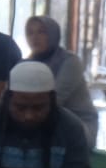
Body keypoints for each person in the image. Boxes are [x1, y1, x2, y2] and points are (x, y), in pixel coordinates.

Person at [25, 16, 98, 148]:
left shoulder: (70, 62)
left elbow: (55, 100)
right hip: (37, 120)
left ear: (53, 34)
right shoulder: (26, 64)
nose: (35, 37)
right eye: (30, 33)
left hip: (78, 125)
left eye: (41, 32)